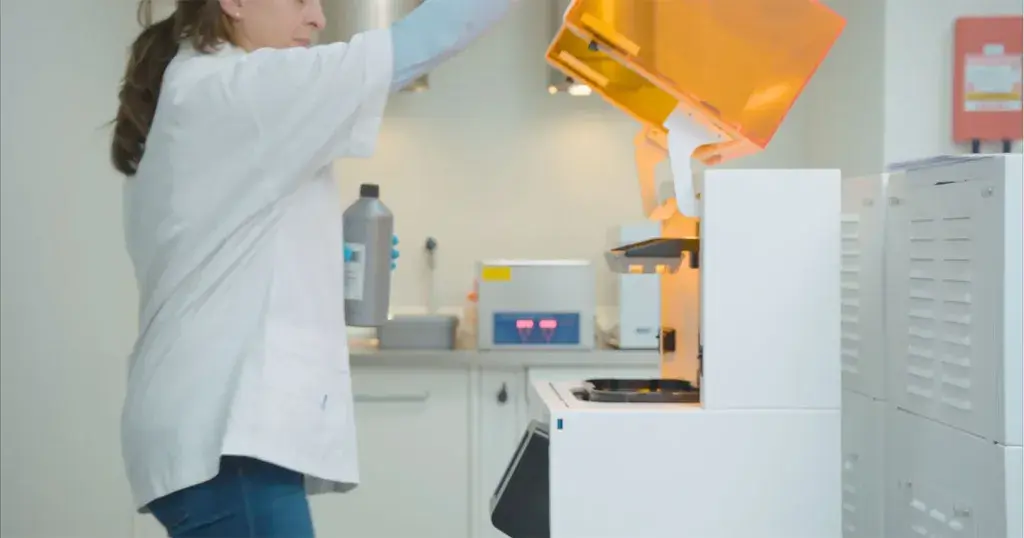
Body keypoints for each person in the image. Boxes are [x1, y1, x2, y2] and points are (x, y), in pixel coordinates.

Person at [110, 0, 516, 535]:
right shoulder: (242, 89)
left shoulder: (204, 90)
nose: (319, 17)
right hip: (225, 443)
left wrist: (328, 249)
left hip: (209, 439)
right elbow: (429, 35)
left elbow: (228, 245)